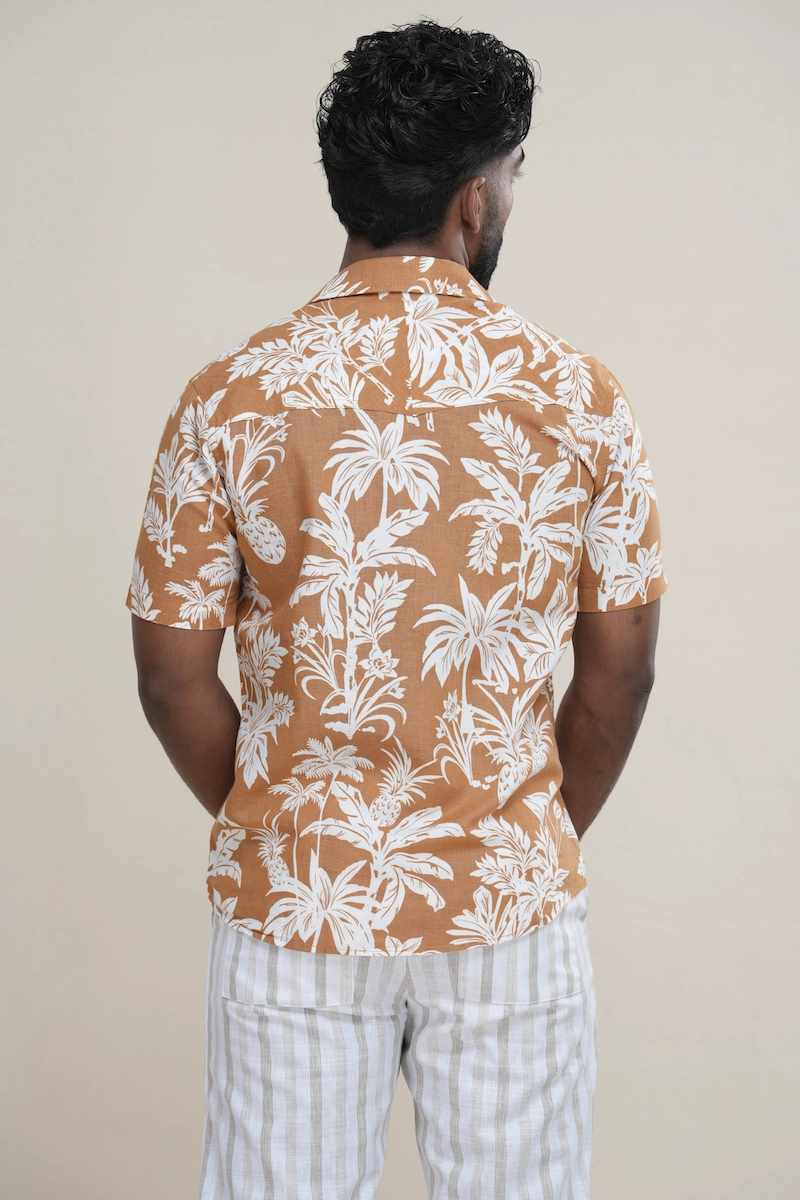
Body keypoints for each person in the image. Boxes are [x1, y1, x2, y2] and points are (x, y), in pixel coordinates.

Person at [128, 20, 665, 1199]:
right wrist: (516, 834)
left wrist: (294, 824)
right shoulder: (578, 395)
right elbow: (618, 669)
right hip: (505, 899)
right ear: (474, 200)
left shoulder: (230, 396)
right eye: (513, 174)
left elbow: (169, 673)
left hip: (292, 902)